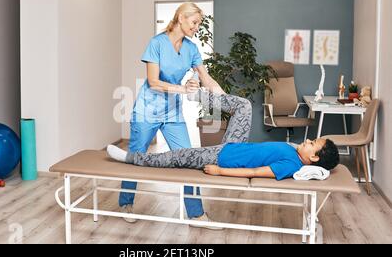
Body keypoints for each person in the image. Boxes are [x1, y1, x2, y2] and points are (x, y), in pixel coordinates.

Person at [120, 2, 225, 227]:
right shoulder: (156, 43)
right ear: (180, 18)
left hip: (172, 113)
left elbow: (205, 78)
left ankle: (196, 214)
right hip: (147, 110)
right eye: (194, 22)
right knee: (136, 157)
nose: (197, 27)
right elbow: (154, 82)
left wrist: (223, 96)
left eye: (199, 24)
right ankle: (125, 203)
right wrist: (183, 89)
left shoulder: (191, 48)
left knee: (188, 159)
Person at [108, 91, 340, 181]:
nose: (308, 140)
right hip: (236, 144)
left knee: (176, 156)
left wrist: (220, 171)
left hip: (221, 157)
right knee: (245, 106)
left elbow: (254, 172)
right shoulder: (295, 152)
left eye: (312, 143)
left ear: (315, 158)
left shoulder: (290, 164)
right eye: (312, 139)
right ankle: (196, 95)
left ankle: (130, 157)